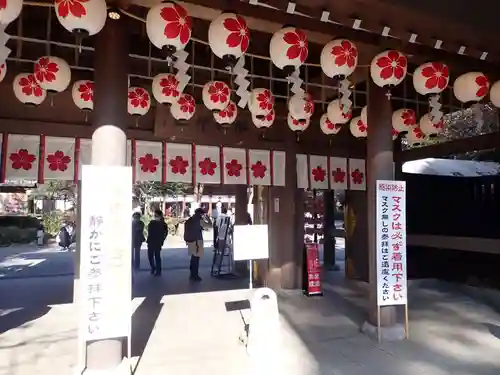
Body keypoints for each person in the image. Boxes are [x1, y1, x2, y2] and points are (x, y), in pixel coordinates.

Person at [184, 208, 212, 281]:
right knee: (196, 259)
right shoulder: (199, 221)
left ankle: (192, 274)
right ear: (200, 214)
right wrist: (208, 218)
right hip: (197, 240)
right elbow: (210, 226)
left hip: (190, 240)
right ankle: (195, 275)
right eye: (202, 214)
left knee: (193, 258)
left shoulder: (190, 220)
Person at [147, 209, 168, 276]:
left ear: (159, 215)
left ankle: (158, 271)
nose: (155, 216)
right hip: (151, 241)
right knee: (150, 256)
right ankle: (153, 267)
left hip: (157, 242)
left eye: (156, 215)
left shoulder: (163, 224)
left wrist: (162, 240)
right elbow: (149, 231)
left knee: (157, 256)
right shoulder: (152, 222)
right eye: (154, 215)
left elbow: (165, 233)